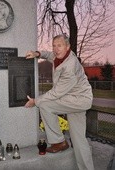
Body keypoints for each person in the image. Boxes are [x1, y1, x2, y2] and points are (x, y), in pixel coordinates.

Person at [25, 34, 95, 170]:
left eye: (60, 45)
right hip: (77, 99)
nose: (56, 49)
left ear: (68, 47)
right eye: (54, 45)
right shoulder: (61, 56)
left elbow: (56, 93)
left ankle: (58, 142)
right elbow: (50, 55)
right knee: (79, 140)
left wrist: (35, 101)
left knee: (45, 104)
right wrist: (37, 53)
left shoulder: (70, 67)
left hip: (78, 100)